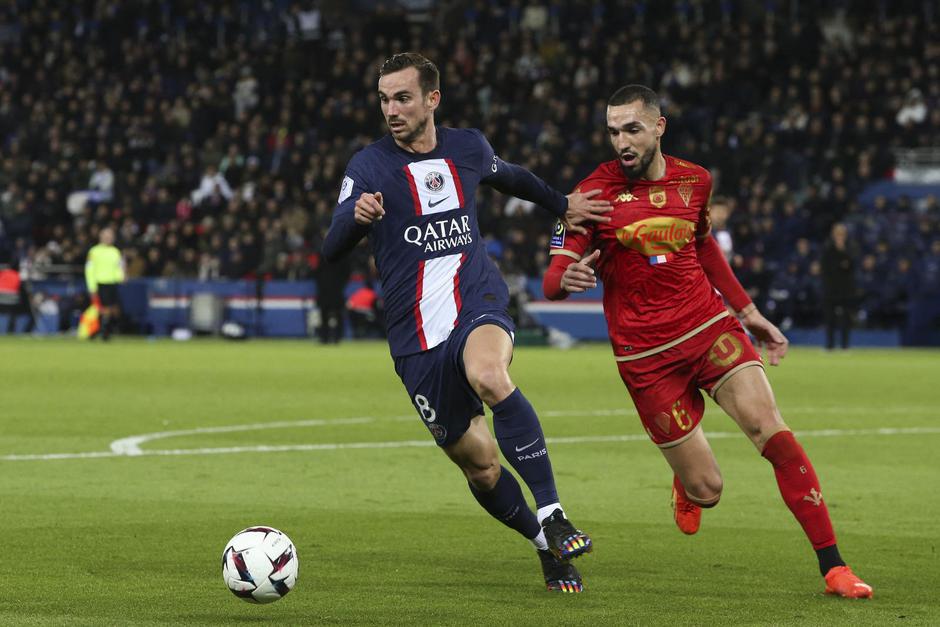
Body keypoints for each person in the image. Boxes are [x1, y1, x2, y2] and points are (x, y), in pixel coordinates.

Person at [542, 84, 872, 598]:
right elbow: (552, 277)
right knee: (708, 490)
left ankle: (834, 567)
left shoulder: (695, 180)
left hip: (707, 328)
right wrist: (564, 280)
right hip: (645, 357)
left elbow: (703, 247)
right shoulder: (594, 194)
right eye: (613, 131)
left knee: (774, 433)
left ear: (658, 127)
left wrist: (750, 313)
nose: (621, 142)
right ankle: (686, 480)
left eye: (632, 129)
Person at [322, 52, 612, 593]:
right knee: (480, 466)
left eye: (403, 97)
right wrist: (355, 220)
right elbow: (331, 245)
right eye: (384, 99)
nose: (391, 109)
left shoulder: (468, 147)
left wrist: (562, 204)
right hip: (415, 339)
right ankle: (545, 547)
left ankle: (553, 512)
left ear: (433, 98)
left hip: (475, 300)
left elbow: (513, 178)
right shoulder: (367, 166)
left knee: (489, 373)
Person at [820, 222, 857, 350]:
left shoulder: (851, 248)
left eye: (842, 234)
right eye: (837, 234)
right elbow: (827, 268)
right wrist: (841, 264)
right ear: (833, 235)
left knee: (846, 318)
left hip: (846, 290)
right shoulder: (828, 249)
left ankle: (845, 345)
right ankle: (830, 345)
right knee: (830, 318)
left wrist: (843, 254)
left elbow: (852, 266)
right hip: (830, 289)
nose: (840, 236)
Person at [85, 227, 125, 340]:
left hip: (112, 283)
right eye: (106, 235)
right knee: (104, 309)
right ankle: (104, 333)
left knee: (112, 309)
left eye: (110, 236)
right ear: (101, 237)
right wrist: (91, 286)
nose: (108, 238)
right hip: (100, 283)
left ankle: (96, 331)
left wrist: (121, 277)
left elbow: (119, 268)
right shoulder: (94, 251)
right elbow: (89, 270)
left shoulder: (115, 251)